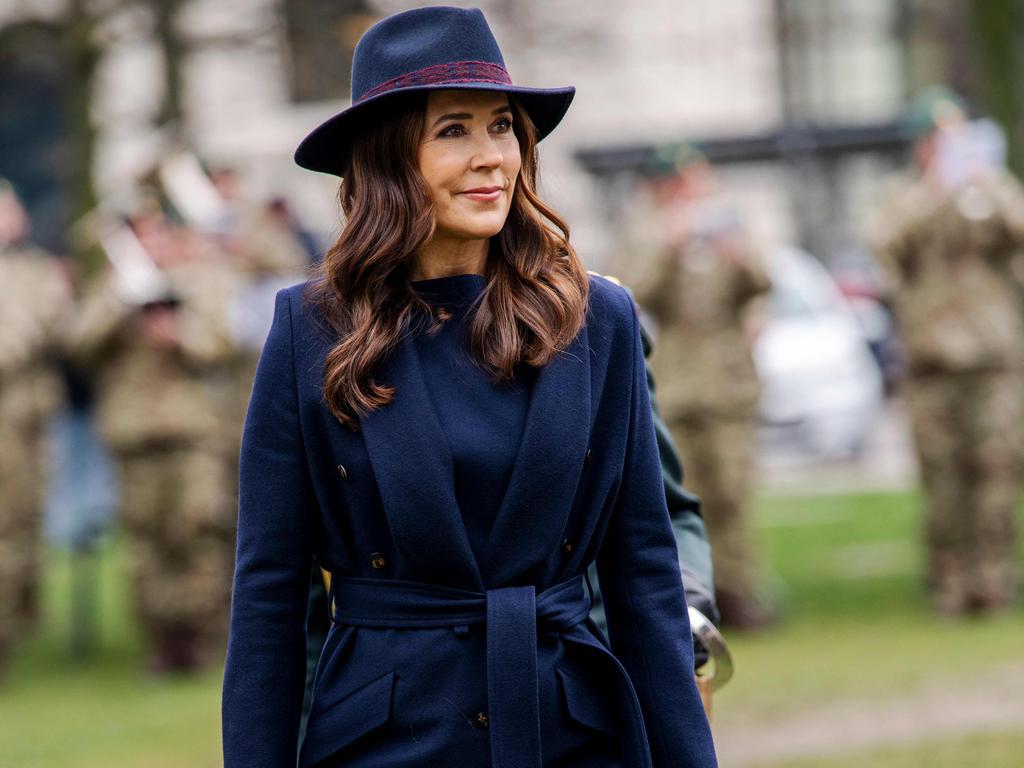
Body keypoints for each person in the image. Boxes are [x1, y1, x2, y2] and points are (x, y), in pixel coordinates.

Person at [222, 7, 717, 768]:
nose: (491, 157)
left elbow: (644, 575)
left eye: (502, 127)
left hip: (576, 736)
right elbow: (270, 600)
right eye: (453, 130)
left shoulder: (600, 321)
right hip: (385, 743)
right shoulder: (309, 331)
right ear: (388, 159)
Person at [66, 200, 241, 671]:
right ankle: (164, 643)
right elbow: (78, 345)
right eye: (140, 235)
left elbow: (226, 344)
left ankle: (206, 637)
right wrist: (117, 302)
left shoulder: (198, 280)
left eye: (156, 233)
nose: (150, 243)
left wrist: (181, 336)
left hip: (193, 430)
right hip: (132, 432)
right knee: (147, 540)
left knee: (199, 528)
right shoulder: (112, 288)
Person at [869, 87, 1024, 616]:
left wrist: (986, 188)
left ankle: (995, 579)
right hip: (932, 360)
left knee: (996, 469)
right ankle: (952, 581)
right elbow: (885, 247)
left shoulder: (992, 191)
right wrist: (936, 190)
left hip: (991, 357)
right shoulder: (905, 197)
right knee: (943, 475)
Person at [619, 143, 773, 629]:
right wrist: (671, 242)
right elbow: (631, 294)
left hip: (727, 384)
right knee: (681, 498)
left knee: (732, 492)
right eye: (682, 183)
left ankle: (739, 593)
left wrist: (737, 254)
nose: (693, 191)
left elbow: (763, 283)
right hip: (676, 388)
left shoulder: (726, 226)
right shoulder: (644, 232)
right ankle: (689, 598)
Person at [0, 179, 70, 675]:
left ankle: (16, 622)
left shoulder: (35, 270)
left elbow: (61, 328)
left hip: (28, 421)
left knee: (23, 525)